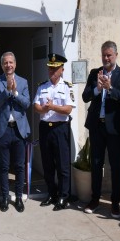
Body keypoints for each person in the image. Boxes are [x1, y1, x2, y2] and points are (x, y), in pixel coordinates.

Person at [82, 41, 120, 217]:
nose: (106, 58)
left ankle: (115, 202)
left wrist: (110, 89)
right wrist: (97, 88)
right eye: (103, 55)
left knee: (116, 165)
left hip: (115, 128)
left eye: (109, 55)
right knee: (96, 163)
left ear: (116, 55)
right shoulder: (95, 73)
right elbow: (85, 97)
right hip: (97, 126)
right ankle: (95, 198)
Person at [34, 53, 76, 211]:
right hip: (45, 128)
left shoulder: (67, 87)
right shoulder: (42, 86)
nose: (52, 71)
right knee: (47, 164)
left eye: (55, 68)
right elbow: (35, 106)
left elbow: (68, 109)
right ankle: (51, 193)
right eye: (50, 68)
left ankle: (63, 197)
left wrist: (52, 107)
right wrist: (43, 108)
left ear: (62, 69)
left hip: (60, 128)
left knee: (63, 165)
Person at [0, 52, 31, 212]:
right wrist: (7, 90)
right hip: (4, 130)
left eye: (11, 62)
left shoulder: (23, 82)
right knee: (4, 167)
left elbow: (26, 103)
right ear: (2, 65)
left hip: (19, 129)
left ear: (15, 64)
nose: (8, 65)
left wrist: (15, 93)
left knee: (20, 166)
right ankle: (5, 197)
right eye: (5, 63)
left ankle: (19, 198)